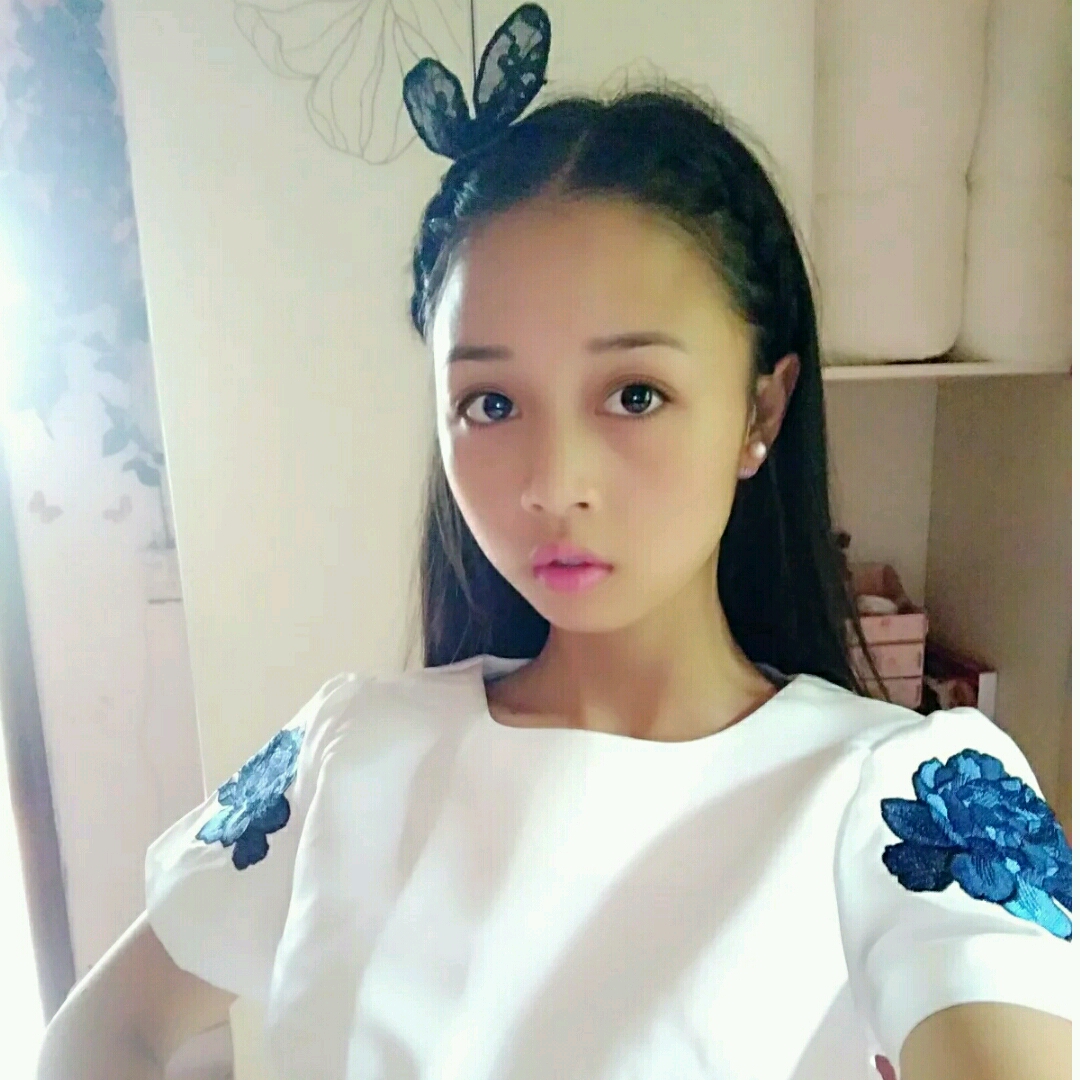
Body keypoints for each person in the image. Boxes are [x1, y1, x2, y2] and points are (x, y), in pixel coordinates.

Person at [37, 9, 1071, 1079]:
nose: (551, 483)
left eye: (635, 394)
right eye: (491, 404)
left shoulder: (904, 794)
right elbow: (101, 1029)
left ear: (761, 409)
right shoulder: (351, 751)